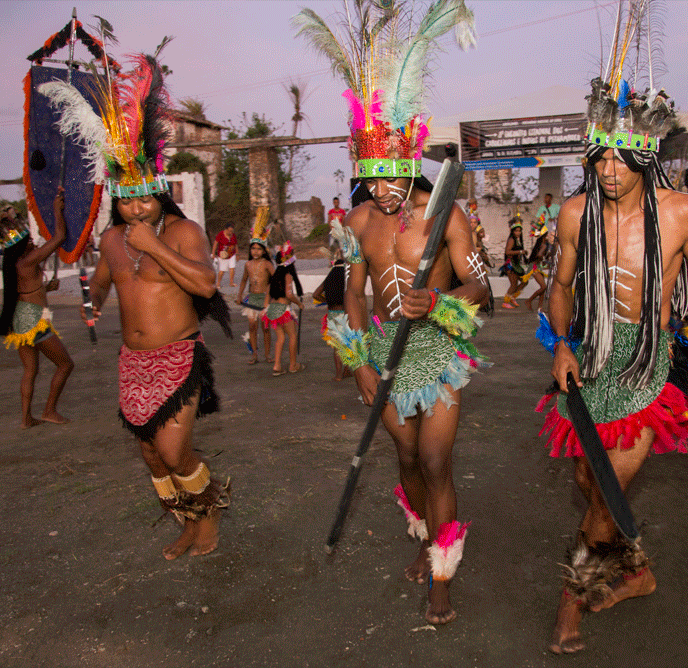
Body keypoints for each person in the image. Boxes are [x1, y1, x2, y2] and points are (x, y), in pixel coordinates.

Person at [298, 0, 482, 625]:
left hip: (437, 352)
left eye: (392, 174)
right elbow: (350, 295)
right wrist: (357, 363)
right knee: (405, 462)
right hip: (382, 352)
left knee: (436, 462)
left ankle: (442, 574)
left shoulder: (445, 215)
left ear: (411, 161)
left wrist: (442, 301)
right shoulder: (356, 223)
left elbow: (485, 287)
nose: (382, 188)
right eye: (371, 176)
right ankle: (428, 540)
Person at [538, 68, 688, 654]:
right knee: (586, 478)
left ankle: (569, 606)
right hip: (588, 359)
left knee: (602, 495)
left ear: (645, 158)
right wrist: (562, 343)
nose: (609, 172)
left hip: (647, 363)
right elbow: (561, 285)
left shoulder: (681, 213)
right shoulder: (575, 213)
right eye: (599, 160)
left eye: (621, 160)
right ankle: (637, 571)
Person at [42, 46, 232, 560]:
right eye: (126, 201)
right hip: (133, 362)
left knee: (175, 449)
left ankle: (210, 515)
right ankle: (188, 524)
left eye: (145, 198)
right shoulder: (111, 241)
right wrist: (94, 301)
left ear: (161, 193)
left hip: (178, 356)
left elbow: (206, 286)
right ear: (117, 201)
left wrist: (155, 247)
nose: (136, 208)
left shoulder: (182, 230)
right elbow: (103, 280)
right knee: (151, 454)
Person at [0, 188, 74, 429]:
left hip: (21, 317)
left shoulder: (16, 264)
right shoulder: (28, 260)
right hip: (33, 320)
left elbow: (27, 291)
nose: (32, 242)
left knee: (30, 370)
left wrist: (47, 288)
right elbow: (59, 238)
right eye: (28, 240)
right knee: (66, 364)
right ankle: (49, 411)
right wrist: (57, 211)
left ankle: (26, 418)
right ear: (21, 246)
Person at [237, 220, 275, 365]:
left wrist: (271, 296)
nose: (255, 251)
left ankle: (267, 355)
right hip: (252, 298)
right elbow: (243, 280)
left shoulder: (267, 264)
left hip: (264, 298)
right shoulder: (247, 264)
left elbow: (275, 279)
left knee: (265, 328)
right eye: (253, 249)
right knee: (252, 327)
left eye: (259, 249)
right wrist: (239, 295)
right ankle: (254, 354)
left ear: (264, 250)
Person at [264, 259, 305, 375]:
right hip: (283, 310)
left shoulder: (275, 276)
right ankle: (293, 365)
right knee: (292, 335)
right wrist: (299, 303)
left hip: (272, 310)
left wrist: (265, 308)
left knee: (280, 338)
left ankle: (277, 365)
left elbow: (268, 294)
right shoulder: (287, 276)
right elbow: (289, 294)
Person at [313, 256, 350, 381]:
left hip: (332, 314)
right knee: (348, 344)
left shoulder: (329, 278)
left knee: (336, 346)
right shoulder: (346, 279)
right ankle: (346, 370)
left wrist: (326, 300)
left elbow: (315, 294)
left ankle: (339, 374)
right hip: (345, 314)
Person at [525, 216, 551, 311]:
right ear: (545, 235)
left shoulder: (540, 244)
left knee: (543, 287)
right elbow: (539, 255)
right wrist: (544, 257)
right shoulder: (544, 245)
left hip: (537, 266)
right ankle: (529, 300)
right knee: (543, 286)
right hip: (535, 267)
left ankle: (540, 307)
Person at [500, 217, 527, 308]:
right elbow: (508, 252)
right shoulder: (511, 239)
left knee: (524, 281)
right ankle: (506, 302)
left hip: (516, 265)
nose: (518, 233)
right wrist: (520, 252)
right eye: (516, 231)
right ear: (513, 231)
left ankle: (512, 297)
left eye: (519, 231)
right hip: (510, 265)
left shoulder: (517, 239)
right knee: (514, 284)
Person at [211, 221, 237, 290]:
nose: (231, 232)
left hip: (232, 254)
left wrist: (237, 254)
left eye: (232, 231)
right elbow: (215, 244)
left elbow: (235, 244)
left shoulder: (233, 235)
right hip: (223, 255)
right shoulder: (220, 234)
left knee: (232, 268)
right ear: (226, 229)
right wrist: (213, 253)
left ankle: (231, 282)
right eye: (230, 231)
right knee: (222, 270)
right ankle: (218, 283)